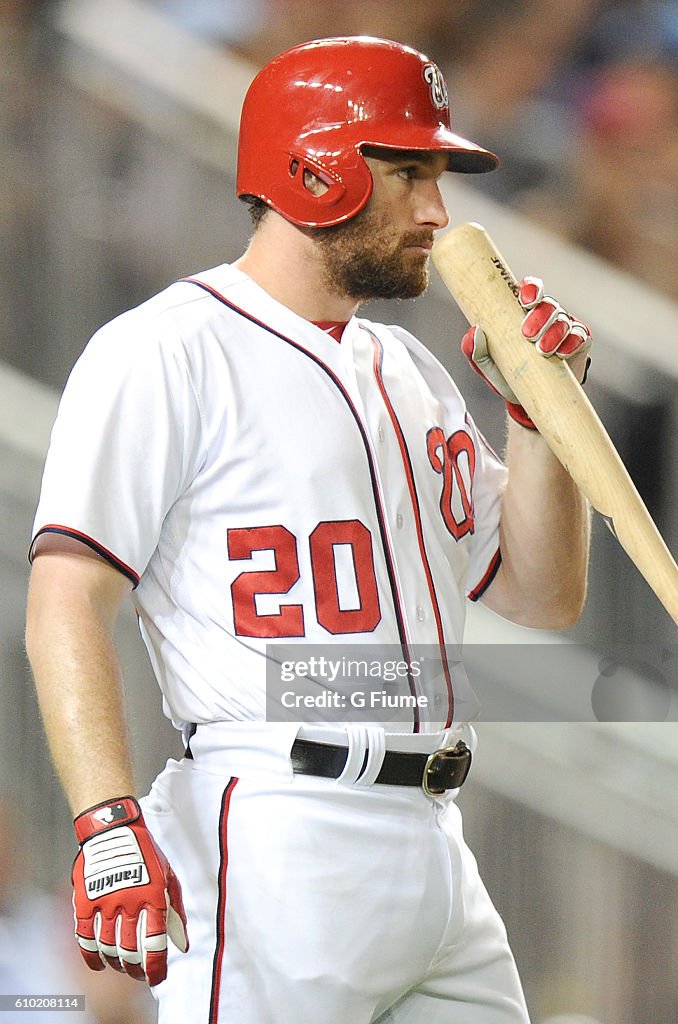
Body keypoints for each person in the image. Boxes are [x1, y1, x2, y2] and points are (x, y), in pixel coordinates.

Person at [25, 37, 592, 1024]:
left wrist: (538, 420)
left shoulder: (410, 373)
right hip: (277, 825)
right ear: (316, 165)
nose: (436, 211)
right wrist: (107, 823)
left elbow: (543, 594)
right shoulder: (167, 348)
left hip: (434, 838)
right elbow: (66, 596)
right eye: (408, 173)